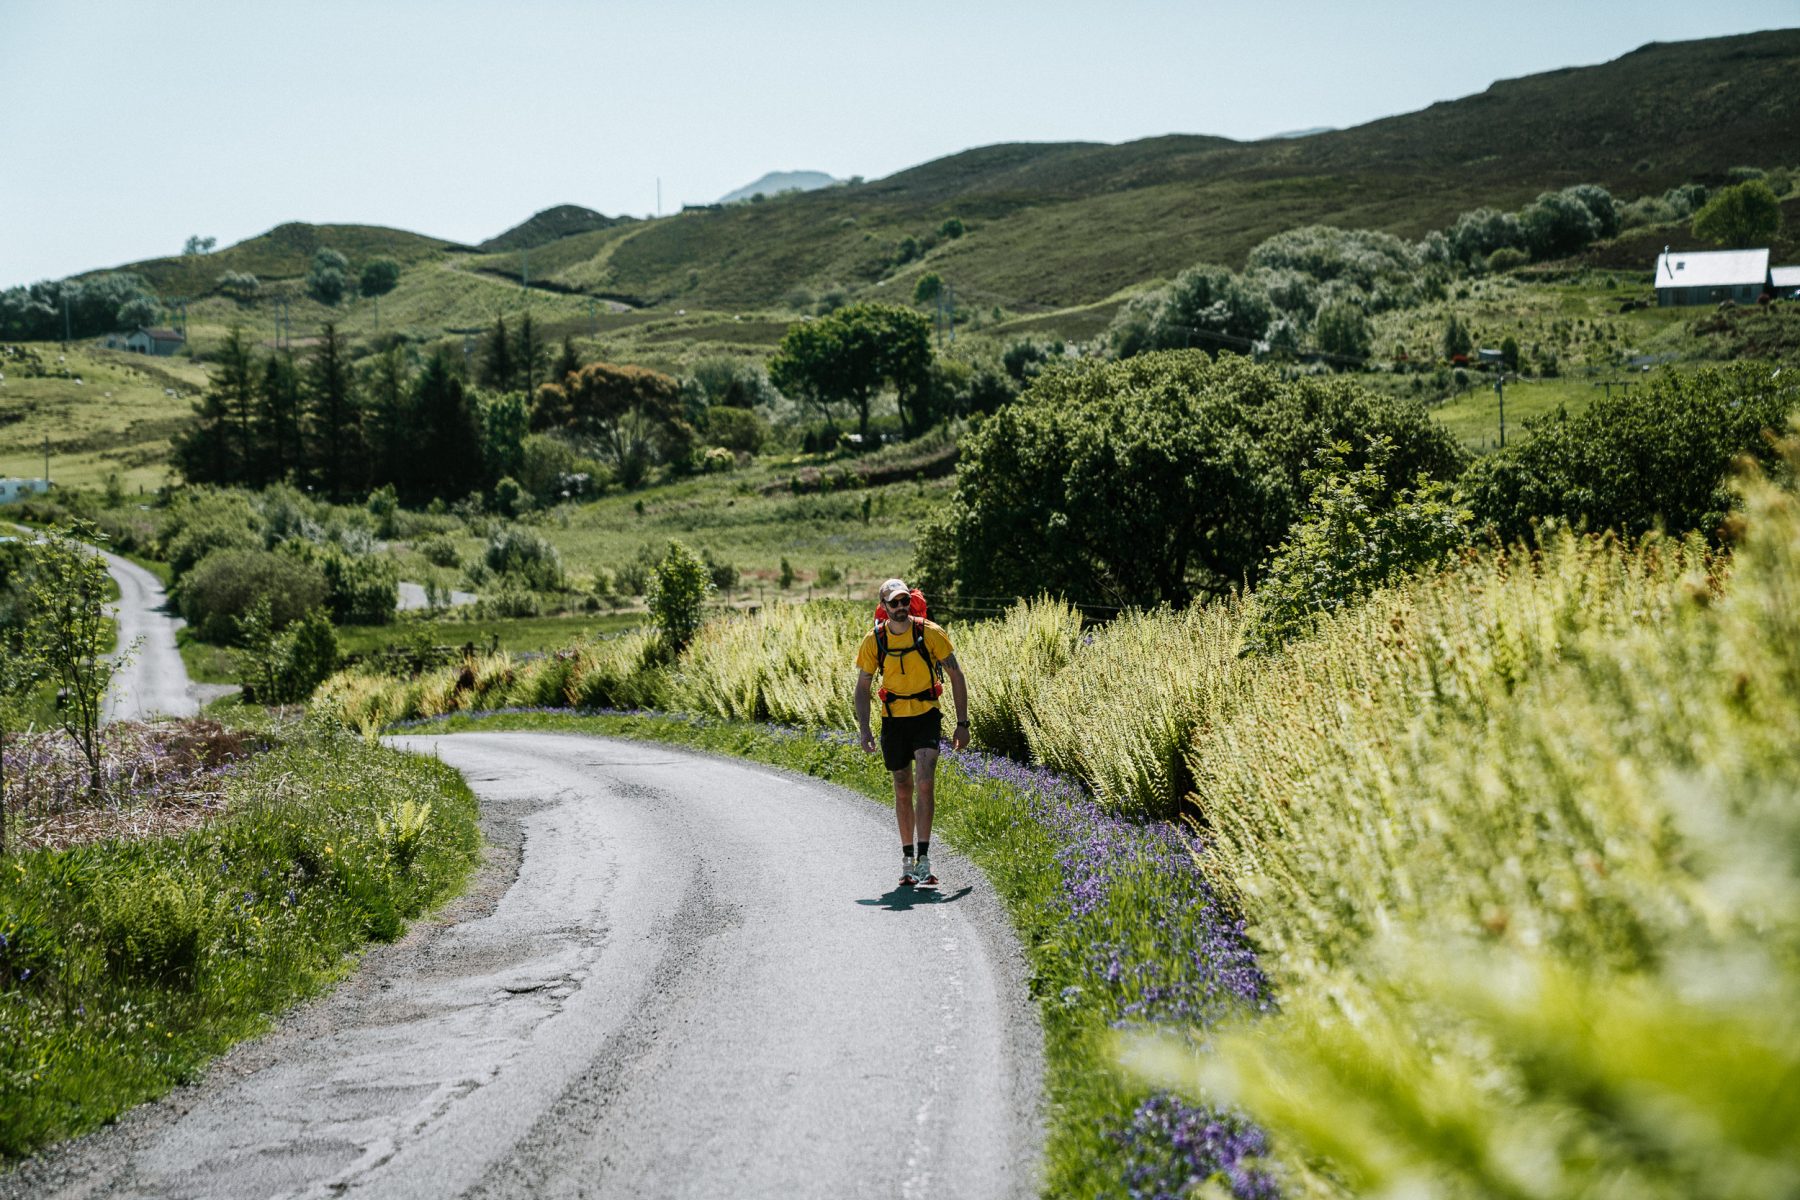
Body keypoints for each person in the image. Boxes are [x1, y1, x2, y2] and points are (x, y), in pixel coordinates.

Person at [855, 578, 969, 886]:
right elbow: (863, 687)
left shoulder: (930, 633)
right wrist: (864, 728)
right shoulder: (874, 640)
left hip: (926, 715)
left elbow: (956, 676)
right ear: (884, 607)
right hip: (893, 720)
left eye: (904, 601)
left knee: (925, 781)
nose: (901, 607)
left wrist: (963, 723)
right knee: (903, 786)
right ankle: (907, 861)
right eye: (894, 603)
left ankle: (924, 859)